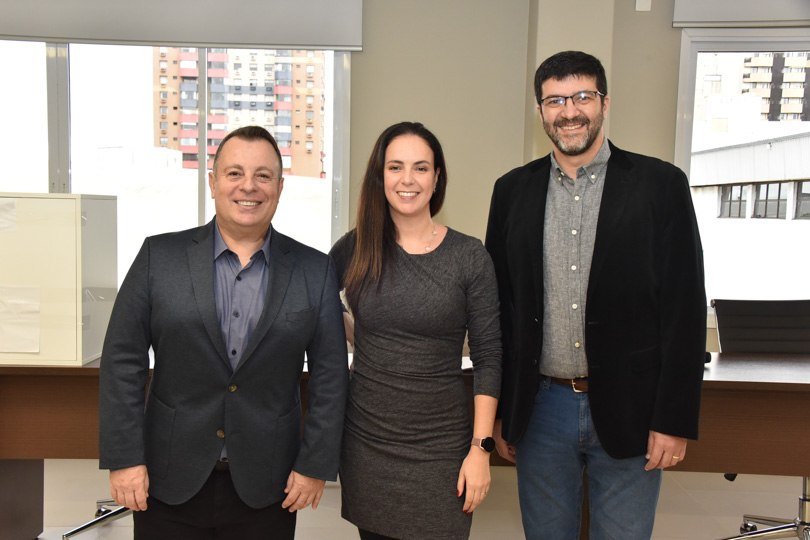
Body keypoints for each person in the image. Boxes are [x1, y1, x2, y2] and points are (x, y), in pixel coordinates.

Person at [485, 51, 706, 539]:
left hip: (633, 408)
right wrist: (502, 412)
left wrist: (673, 419)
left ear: (605, 103)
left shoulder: (661, 185)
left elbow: (684, 309)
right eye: (556, 100)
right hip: (541, 408)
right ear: (540, 111)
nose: (570, 111)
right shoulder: (511, 192)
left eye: (583, 96)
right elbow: (500, 314)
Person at [98, 126, 349, 539]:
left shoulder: (314, 270)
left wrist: (314, 465)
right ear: (213, 183)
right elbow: (122, 360)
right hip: (168, 479)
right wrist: (124, 459)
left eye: (263, 175)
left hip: (269, 485)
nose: (248, 186)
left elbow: (330, 377)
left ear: (280, 187)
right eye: (234, 173)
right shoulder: (158, 258)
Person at [329, 121, 502, 540]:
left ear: (437, 177)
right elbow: (315, 309)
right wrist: (359, 335)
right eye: (395, 167)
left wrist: (481, 449)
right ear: (379, 176)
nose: (407, 180)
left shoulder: (468, 256)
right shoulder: (355, 247)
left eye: (421, 168)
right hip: (367, 441)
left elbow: (489, 354)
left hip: (442, 445)